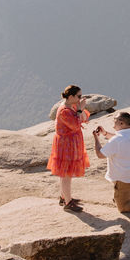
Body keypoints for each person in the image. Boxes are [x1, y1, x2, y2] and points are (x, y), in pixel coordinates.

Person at [49, 84, 90, 212]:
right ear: (71, 96)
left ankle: (64, 197)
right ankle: (68, 202)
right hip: (66, 145)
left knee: (66, 173)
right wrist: (79, 110)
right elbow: (75, 125)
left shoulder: (71, 107)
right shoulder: (64, 111)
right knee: (66, 173)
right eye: (78, 96)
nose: (80, 98)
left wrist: (80, 109)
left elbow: (84, 118)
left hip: (70, 143)